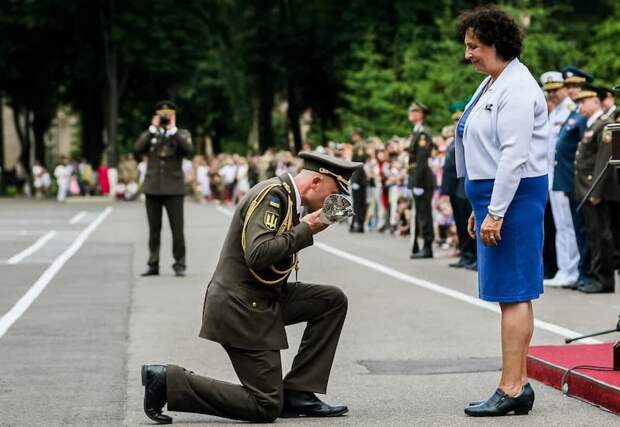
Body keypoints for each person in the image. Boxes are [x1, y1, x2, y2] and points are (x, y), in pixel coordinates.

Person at [141, 151, 360, 424]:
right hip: (241, 308)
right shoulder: (273, 195)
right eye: (335, 191)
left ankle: (299, 392)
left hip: (263, 298)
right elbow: (258, 254)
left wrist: (307, 227)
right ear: (316, 181)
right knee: (265, 405)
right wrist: (307, 229)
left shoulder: (289, 199)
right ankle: (167, 381)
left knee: (331, 300)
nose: (335, 201)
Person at [455, 7, 549, 416]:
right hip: (496, 196)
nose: (468, 54)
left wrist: (495, 211)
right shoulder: (494, 82)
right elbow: (484, 150)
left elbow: (513, 156)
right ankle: (518, 383)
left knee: (514, 294)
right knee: (509, 294)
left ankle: (511, 387)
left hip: (514, 195)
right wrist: (482, 207)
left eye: (473, 46)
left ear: (494, 43)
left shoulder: (518, 87)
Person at [134, 100, 194, 277]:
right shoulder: (151, 134)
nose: (166, 118)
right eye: (163, 115)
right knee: (154, 230)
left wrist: (173, 131)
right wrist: (152, 129)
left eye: (169, 115)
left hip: (174, 189)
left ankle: (180, 263)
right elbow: (137, 149)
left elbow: (189, 151)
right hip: (152, 187)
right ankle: (153, 263)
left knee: (177, 229)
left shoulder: (181, 134)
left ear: (174, 116)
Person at [540, 71, 580, 288]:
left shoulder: (571, 111)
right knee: (560, 225)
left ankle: (572, 270)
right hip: (551, 176)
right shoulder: (553, 113)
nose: (552, 94)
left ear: (565, 88)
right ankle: (564, 269)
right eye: (549, 91)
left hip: (564, 175)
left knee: (568, 225)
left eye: (555, 89)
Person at [573, 89, 616, 293]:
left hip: (594, 189)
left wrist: (596, 191)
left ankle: (603, 279)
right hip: (586, 189)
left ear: (595, 102)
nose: (580, 107)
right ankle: (596, 276)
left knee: (601, 235)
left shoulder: (605, 124)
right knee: (593, 234)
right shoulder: (594, 124)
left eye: (583, 102)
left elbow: (604, 159)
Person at [443, 111, 477, 270]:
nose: (457, 124)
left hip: (463, 187)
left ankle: (473, 256)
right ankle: (465, 255)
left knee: (468, 224)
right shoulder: (455, 141)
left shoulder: (468, 140)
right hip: (455, 189)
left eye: (459, 121)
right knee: (461, 223)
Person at [407, 101, 435, 259]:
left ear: (420, 114)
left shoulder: (423, 133)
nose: (411, 113)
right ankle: (422, 245)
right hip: (419, 180)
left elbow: (422, 160)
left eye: (414, 111)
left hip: (423, 181)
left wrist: (416, 182)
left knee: (424, 214)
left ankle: (427, 246)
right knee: (420, 214)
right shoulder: (417, 131)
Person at [350, 128, 368, 233]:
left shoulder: (360, 146)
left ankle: (358, 224)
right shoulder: (360, 145)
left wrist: (355, 180)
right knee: (358, 203)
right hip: (359, 178)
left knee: (359, 203)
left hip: (359, 179)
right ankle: (356, 223)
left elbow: (359, 164)